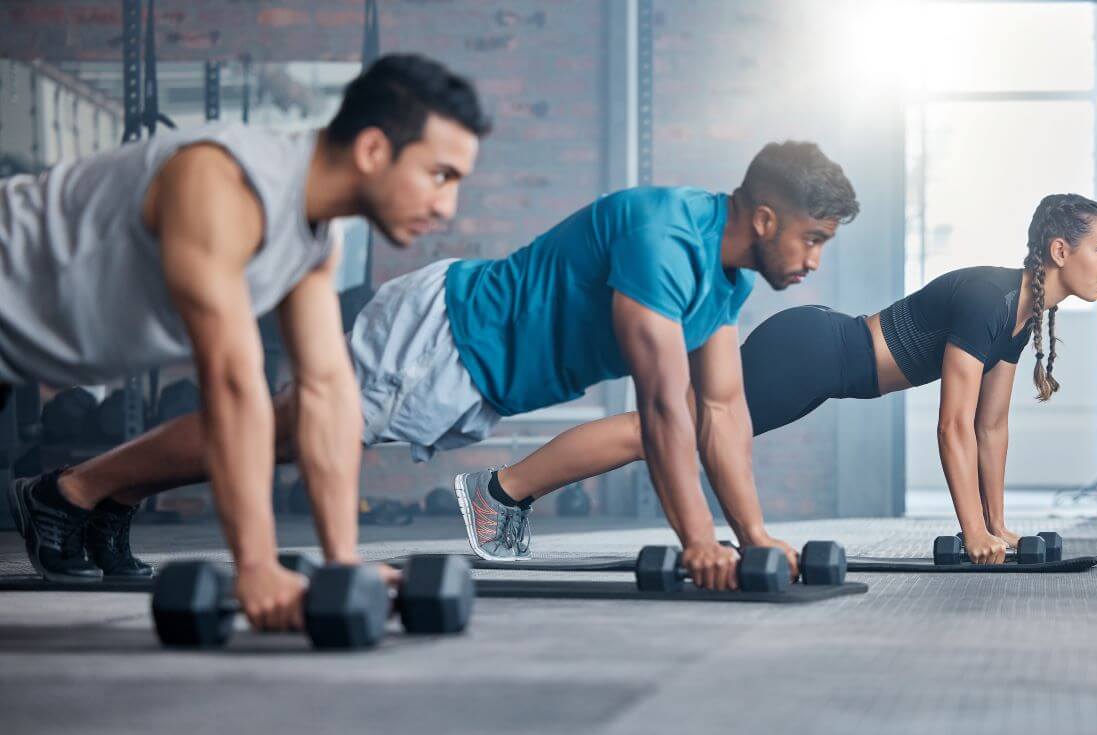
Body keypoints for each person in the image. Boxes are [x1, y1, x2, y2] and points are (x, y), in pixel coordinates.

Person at [21, 140, 860, 591]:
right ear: (762, 216)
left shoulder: (724, 282)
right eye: (813, 240)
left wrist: (749, 536)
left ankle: (101, 495)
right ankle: (72, 492)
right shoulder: (664, 239)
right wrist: (698, 542)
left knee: (274, 433)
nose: (815, 261)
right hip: (444, 337)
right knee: (279, 432)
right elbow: (665, 412)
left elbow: (724, 415)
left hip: (469, 363)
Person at [3, 54, 489, 630]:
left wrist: (343, 564)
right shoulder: (222, 181)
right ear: (374, 150)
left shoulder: (313, 239)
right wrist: (255, 566)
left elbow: (326, 392)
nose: (446, 206)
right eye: (441, 175)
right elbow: (233, 384)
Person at [490, 194, 1097, 565]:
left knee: (668, 429)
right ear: (1060, 252)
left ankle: (506, 491)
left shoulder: (1022, 312)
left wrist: (996, 527)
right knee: (663, 431)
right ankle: (500, 491)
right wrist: (972, 531)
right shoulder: (990, 297)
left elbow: (991, 426)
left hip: (824, 358)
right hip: (813, 353)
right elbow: (952, 424)